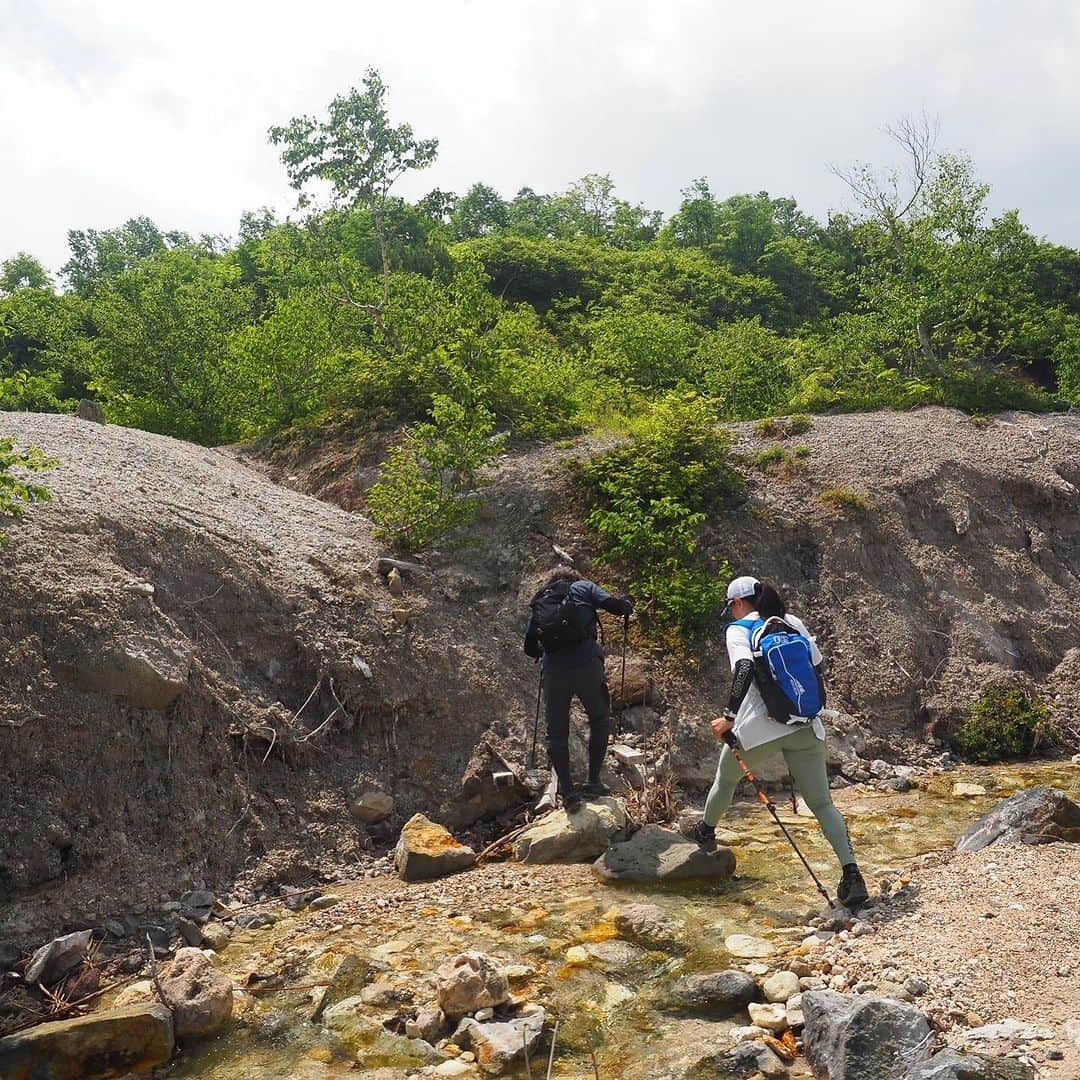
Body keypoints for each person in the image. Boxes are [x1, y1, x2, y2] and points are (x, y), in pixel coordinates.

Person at [690, 575, 869, 908]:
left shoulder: (739, 629)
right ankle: (852, 874)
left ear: (739, 603)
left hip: (760, 729)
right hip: (806, 725)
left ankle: (705, 832)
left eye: (731, 607)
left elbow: (744, 667)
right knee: (823, 804)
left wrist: (729, 717)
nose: (731, 613)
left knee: (726, 779)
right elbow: (815, 664)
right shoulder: (791, 622)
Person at [524, 567, 634, 812]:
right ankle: (593, 781)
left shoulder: (540, 599)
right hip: (587, 665)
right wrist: (628, 602)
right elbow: (616, 607)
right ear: (573, 577)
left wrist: (550, 650)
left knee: (556, 733)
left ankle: (569, 792)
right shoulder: (584, 587)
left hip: (554, 672)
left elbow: (530, 647)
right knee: (599, 718)